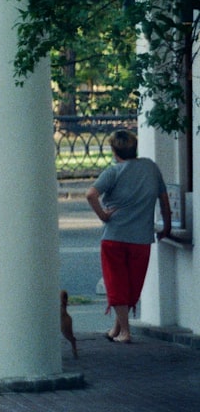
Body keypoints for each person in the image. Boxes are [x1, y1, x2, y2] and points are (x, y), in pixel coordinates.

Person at [86, 129, 171, 344]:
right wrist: (167, 226)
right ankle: (117, 327)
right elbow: (163, 198)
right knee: (133, 284)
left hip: (114, 237)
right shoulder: (150, 168)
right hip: (141, 239)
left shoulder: (113, 172)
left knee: (116, 283)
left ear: (115, 151)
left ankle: (124, 331)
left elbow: (91, 194)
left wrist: (104, 215)